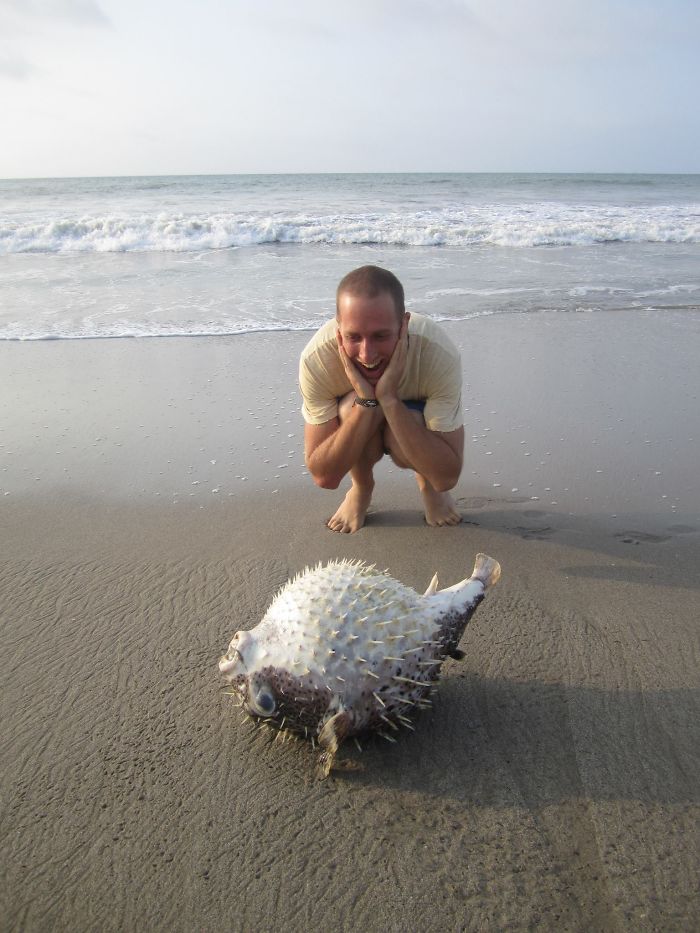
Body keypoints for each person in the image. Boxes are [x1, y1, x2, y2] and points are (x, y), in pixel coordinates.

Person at [299, 265, 464, 533]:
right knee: (354, 409)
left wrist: (388, 399)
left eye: (381, 336)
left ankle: (426, 486)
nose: (367, 354)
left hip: (412, 425)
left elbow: (447, 477)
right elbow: (324, 476)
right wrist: (367, 402)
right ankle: (362, 487)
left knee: (412, 428)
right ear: (338, 331)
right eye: (354, 337)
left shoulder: (438, 354)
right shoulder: (316, 360)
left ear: (403, 325)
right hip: (360, 421)